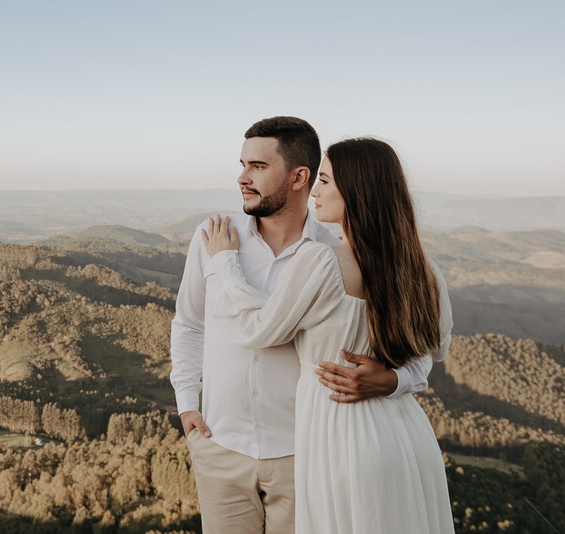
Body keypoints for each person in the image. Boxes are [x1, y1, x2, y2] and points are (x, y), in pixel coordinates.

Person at [170, 117, 437, 534]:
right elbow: (189, 323)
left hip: (308, 453)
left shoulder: (334, 255)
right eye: (243, 164)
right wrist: (187, 400)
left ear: (300, 176)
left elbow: (417, 350)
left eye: (258, 166)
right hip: (220, 444)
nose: (242, 177)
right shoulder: (212, 236)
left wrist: (391, 380)